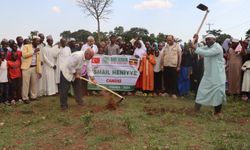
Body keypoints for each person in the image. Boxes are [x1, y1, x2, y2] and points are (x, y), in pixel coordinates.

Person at [191, 34, 226, 117]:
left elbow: (207, 53)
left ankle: (217, 113)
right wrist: (196, 41)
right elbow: (200, 50)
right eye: (206, 40)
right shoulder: (207, 47)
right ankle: (196, 110)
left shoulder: (217, 47)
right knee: (201, 91)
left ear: (214, 39)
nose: (207, 41)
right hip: (208, 75)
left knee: (217, 94)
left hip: (217, 76)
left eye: (209, 39)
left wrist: (194, 47)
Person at [21, 36, 42, 104]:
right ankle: (25, 98)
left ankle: (33, 96)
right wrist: (33, 51)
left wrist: (39, 70)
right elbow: (24, 55)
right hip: (27, 68)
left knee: (34, 83)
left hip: (34, 67)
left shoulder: (38, 49)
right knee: (26, 84)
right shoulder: (26, 46)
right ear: (33, 40)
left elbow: (38, 60)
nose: (38, 42)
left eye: (39, 41)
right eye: (37, 41)